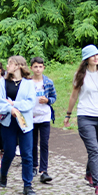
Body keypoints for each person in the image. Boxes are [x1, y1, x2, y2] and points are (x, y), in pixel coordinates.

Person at [63, 44, 98, 195]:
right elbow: (73, 96)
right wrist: (68, 114)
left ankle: (89, 173)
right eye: (93, 55)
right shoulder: (80, 75)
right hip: (85, 116)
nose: (96, 57)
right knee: (94, 150)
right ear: (86, 59)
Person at [0, 55, 37, 195]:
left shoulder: (29, 83)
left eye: (10, 63)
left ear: (18, 66)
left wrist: (14, 104)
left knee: (27, 154)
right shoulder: (2, 83)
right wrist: (10, 109)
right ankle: (3, 175)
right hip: (8, 122)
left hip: (25, 123)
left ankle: (27, 185)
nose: (7, 65)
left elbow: (30, 103)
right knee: (10, 152)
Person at [30, 56, 57, 184]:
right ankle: (33, 166)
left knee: (44, 143)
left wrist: (47, 100)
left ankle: (43, 170)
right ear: (31, 68)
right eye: (35, 66)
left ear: (43, 68)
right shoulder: (27, 82)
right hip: (31, 116)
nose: (38, 69)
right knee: (33, 143)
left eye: (40, 67)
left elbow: (53, 97)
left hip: (44, 116)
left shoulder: (48, 82)